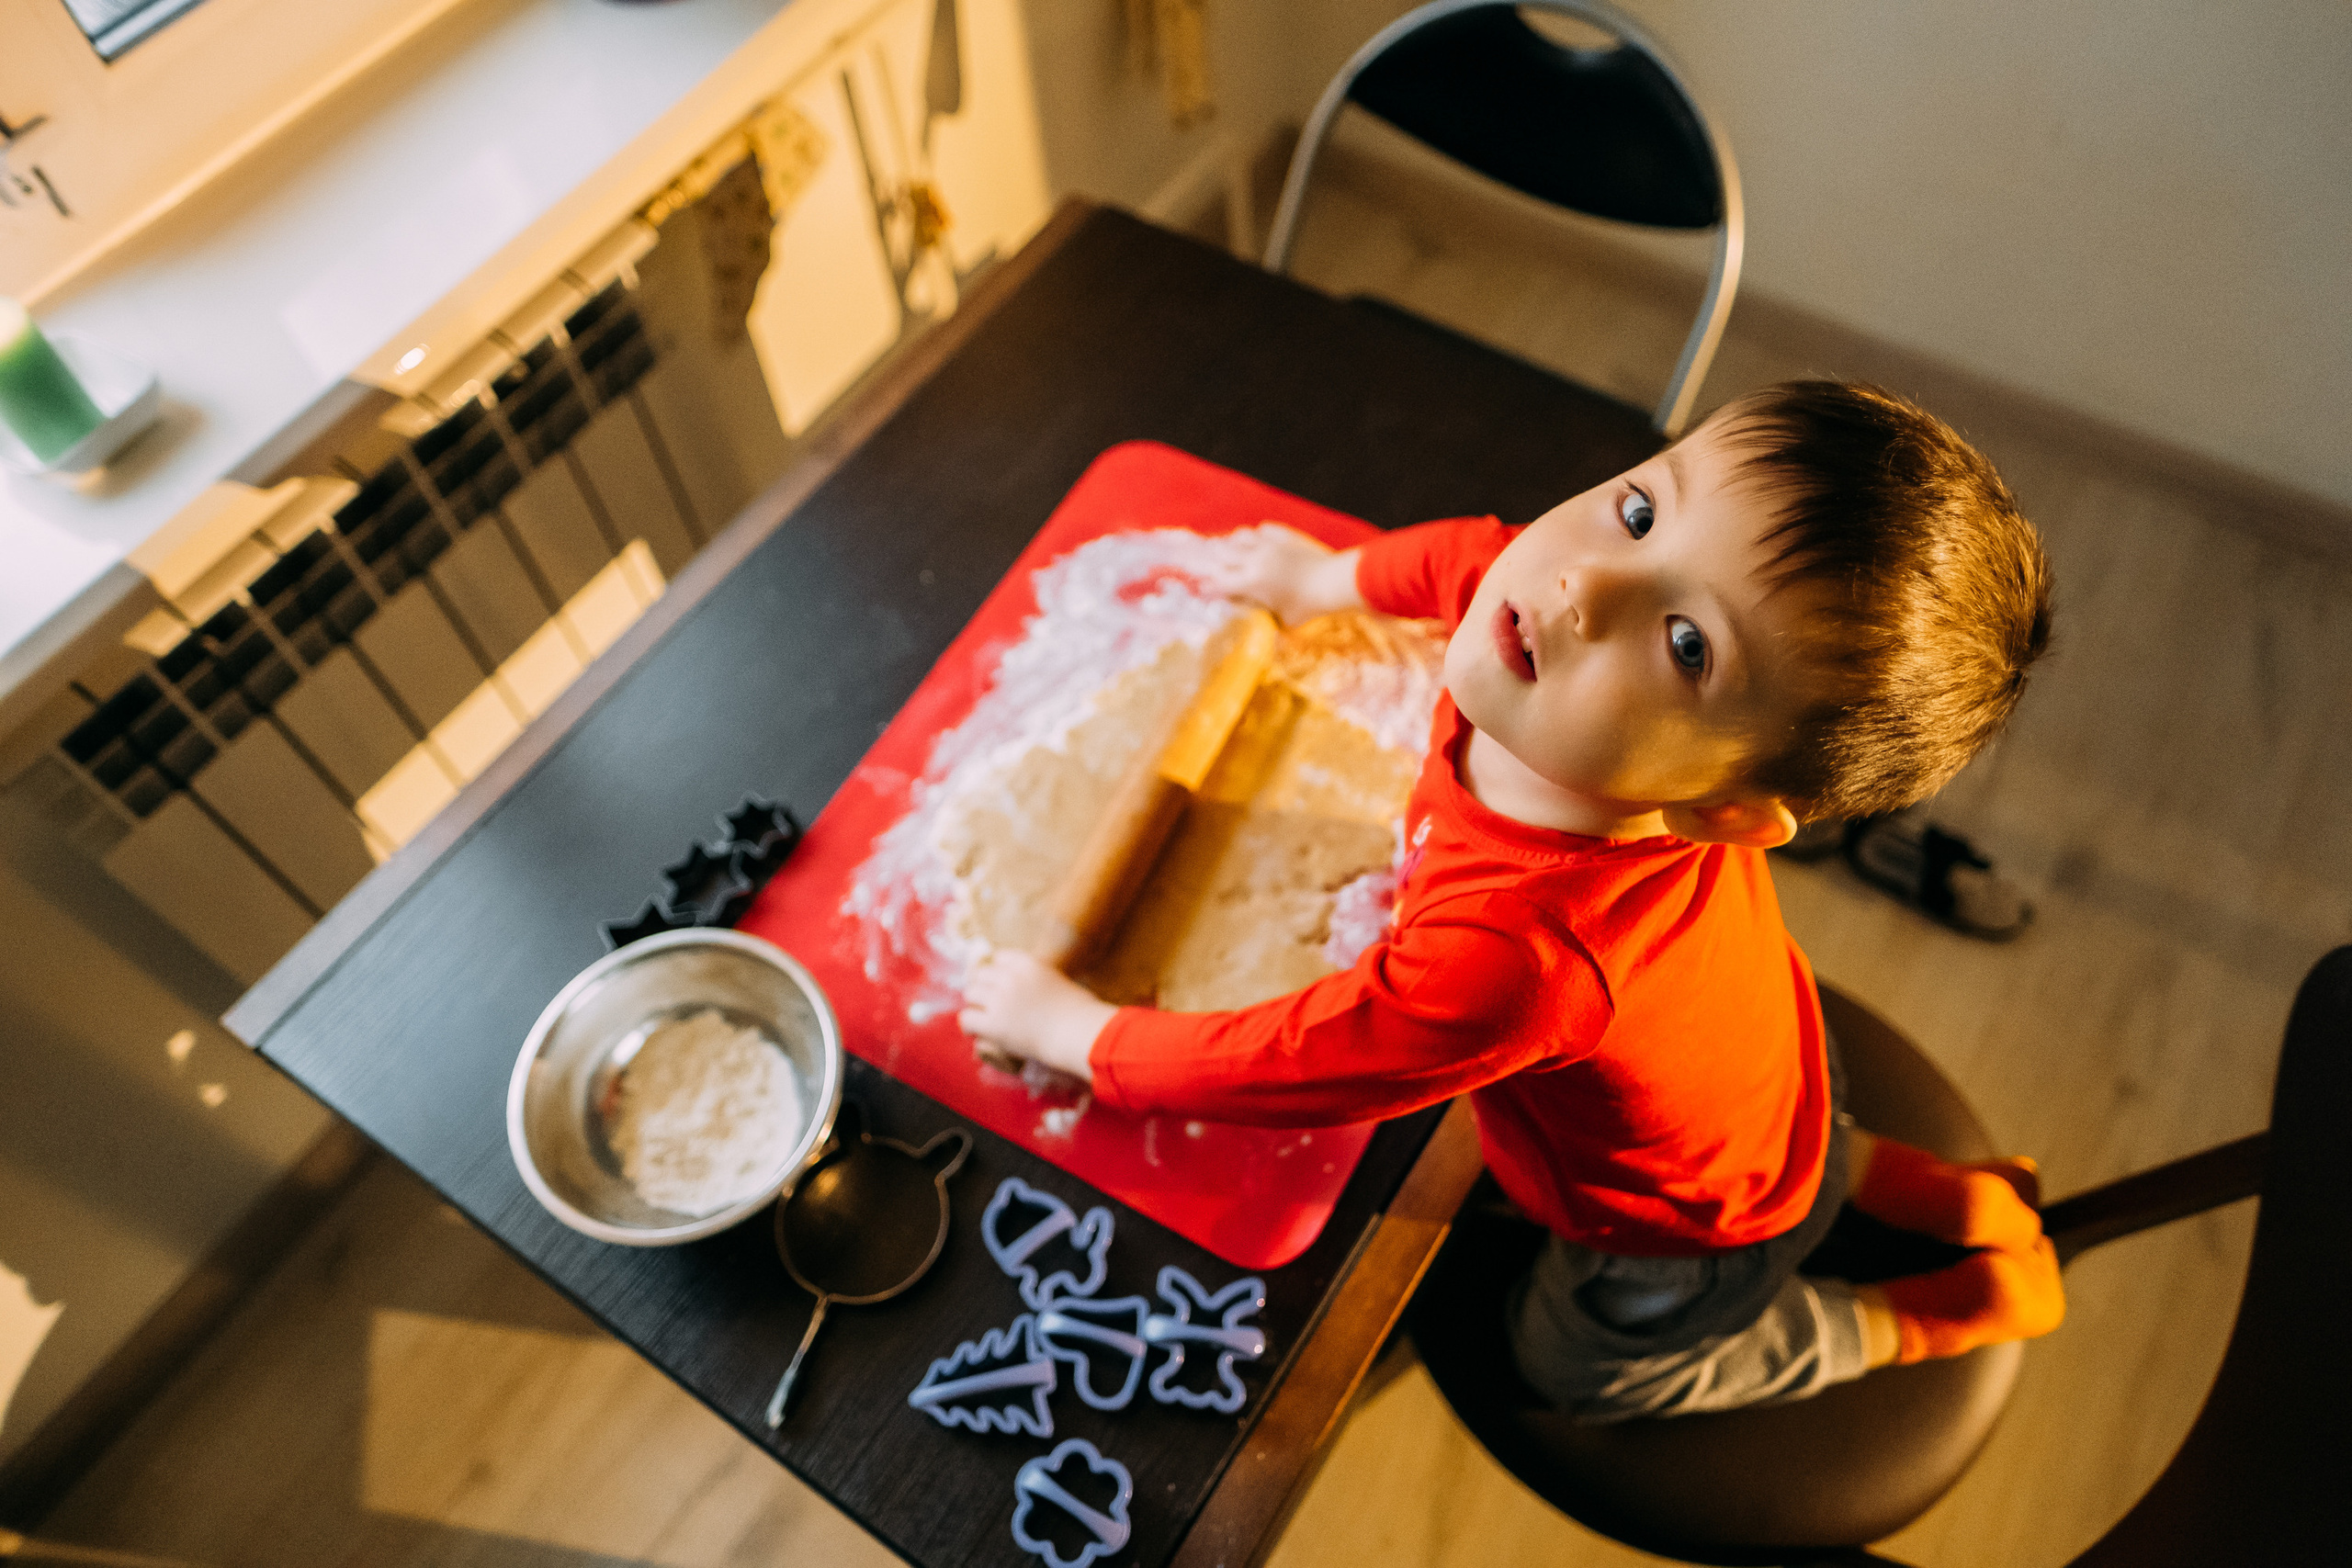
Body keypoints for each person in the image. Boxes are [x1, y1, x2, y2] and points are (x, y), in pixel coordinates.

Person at [960, 380, 2064, 1418]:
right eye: (1640, 511)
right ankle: (1918, 1189)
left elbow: (1293, 1063)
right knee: (1792, 1150)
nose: (1583, 585)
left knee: (1575, 1365)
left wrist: (1080, 1035)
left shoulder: (1520, 959)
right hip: (1768, 1072)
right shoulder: (1533, 626)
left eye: (1687, 646)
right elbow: (1461, 560)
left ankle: (1919, 1319)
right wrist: (1319, 584)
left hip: (1682, 1224)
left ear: (1722, 812)